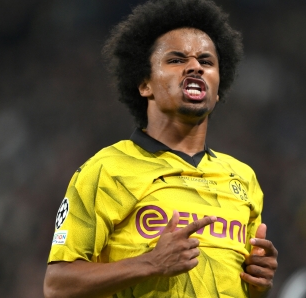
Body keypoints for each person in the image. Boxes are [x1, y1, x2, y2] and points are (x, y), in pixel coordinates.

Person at [43, 0, 278, 297]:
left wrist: (259, 284)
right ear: (145, 84)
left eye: (206, 62)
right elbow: (57, 285)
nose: (195, 66)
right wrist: (150, 263)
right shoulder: (105, 171)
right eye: (177, 60)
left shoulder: (243, 179)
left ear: (218, 90)